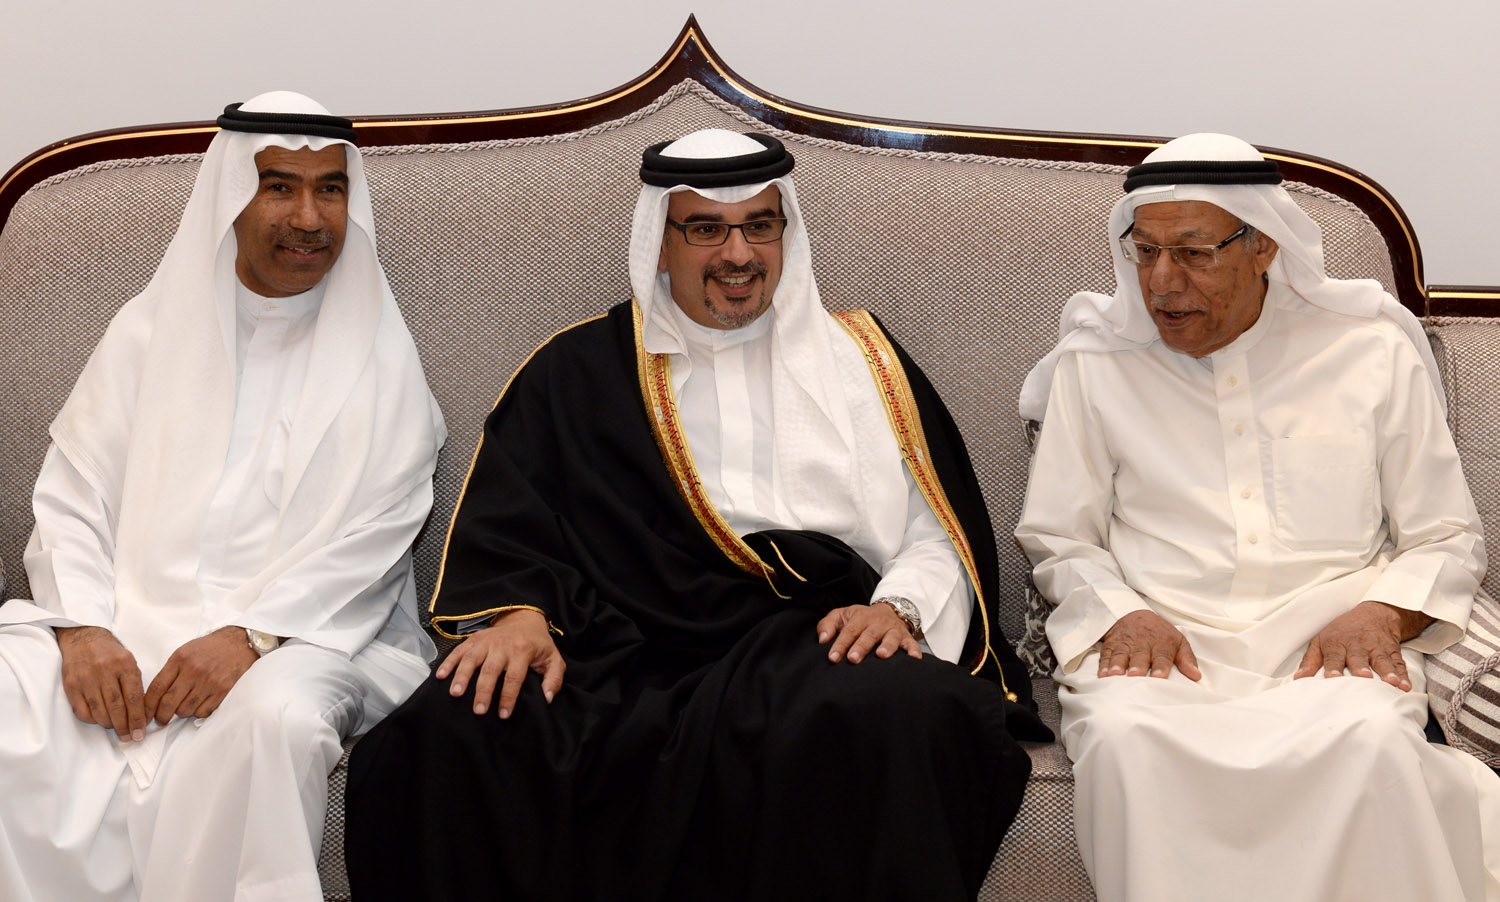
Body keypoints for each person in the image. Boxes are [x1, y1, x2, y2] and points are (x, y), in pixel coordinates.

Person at [346, 128, 1050, 901]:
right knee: (461, 721)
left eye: (759, 225)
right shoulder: (578, 371)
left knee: (901, 712)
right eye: (706, 228)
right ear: (659, 239)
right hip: (615, 650)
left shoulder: (864, 361)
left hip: (807, 644)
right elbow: (512, 523)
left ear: (786, 232)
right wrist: (519, 616)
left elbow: (938, 530)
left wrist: (899, 610)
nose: (737, 254)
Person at [1016, 132, 1500, 901]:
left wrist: (1382, 613)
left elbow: (1445, 534)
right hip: (1166, 654)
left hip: (1328, 654)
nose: (1162, 282)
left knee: (1371, 739)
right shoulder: (1096, 364)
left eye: (1193, 254)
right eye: (1145, 252)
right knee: (1124, 739)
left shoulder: (1369, 351)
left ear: (1263, 247)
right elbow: (1058, 536)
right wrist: (1119, 613)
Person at [0, 91, 445, 901]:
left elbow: (376, 546)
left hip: (317, 641)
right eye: (279, 186)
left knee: (277, 716)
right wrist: (83, 626)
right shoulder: (147, 333)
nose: (308, 217)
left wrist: (255, 637)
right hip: (127, 621)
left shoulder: (381, 360)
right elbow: (73, 495)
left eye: (331, 190)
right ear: (232, 196)